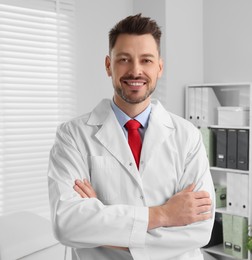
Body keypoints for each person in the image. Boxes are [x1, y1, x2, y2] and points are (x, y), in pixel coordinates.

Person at [48, 13, 215, 260]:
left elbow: (199, 230)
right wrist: (165, 215)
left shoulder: (187, 136)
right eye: (124, 59)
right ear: (108, 65)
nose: (135, 70)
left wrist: (103, 223)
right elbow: (68, 224)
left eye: (146, 60)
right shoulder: (72, 135)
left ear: (159, 67)